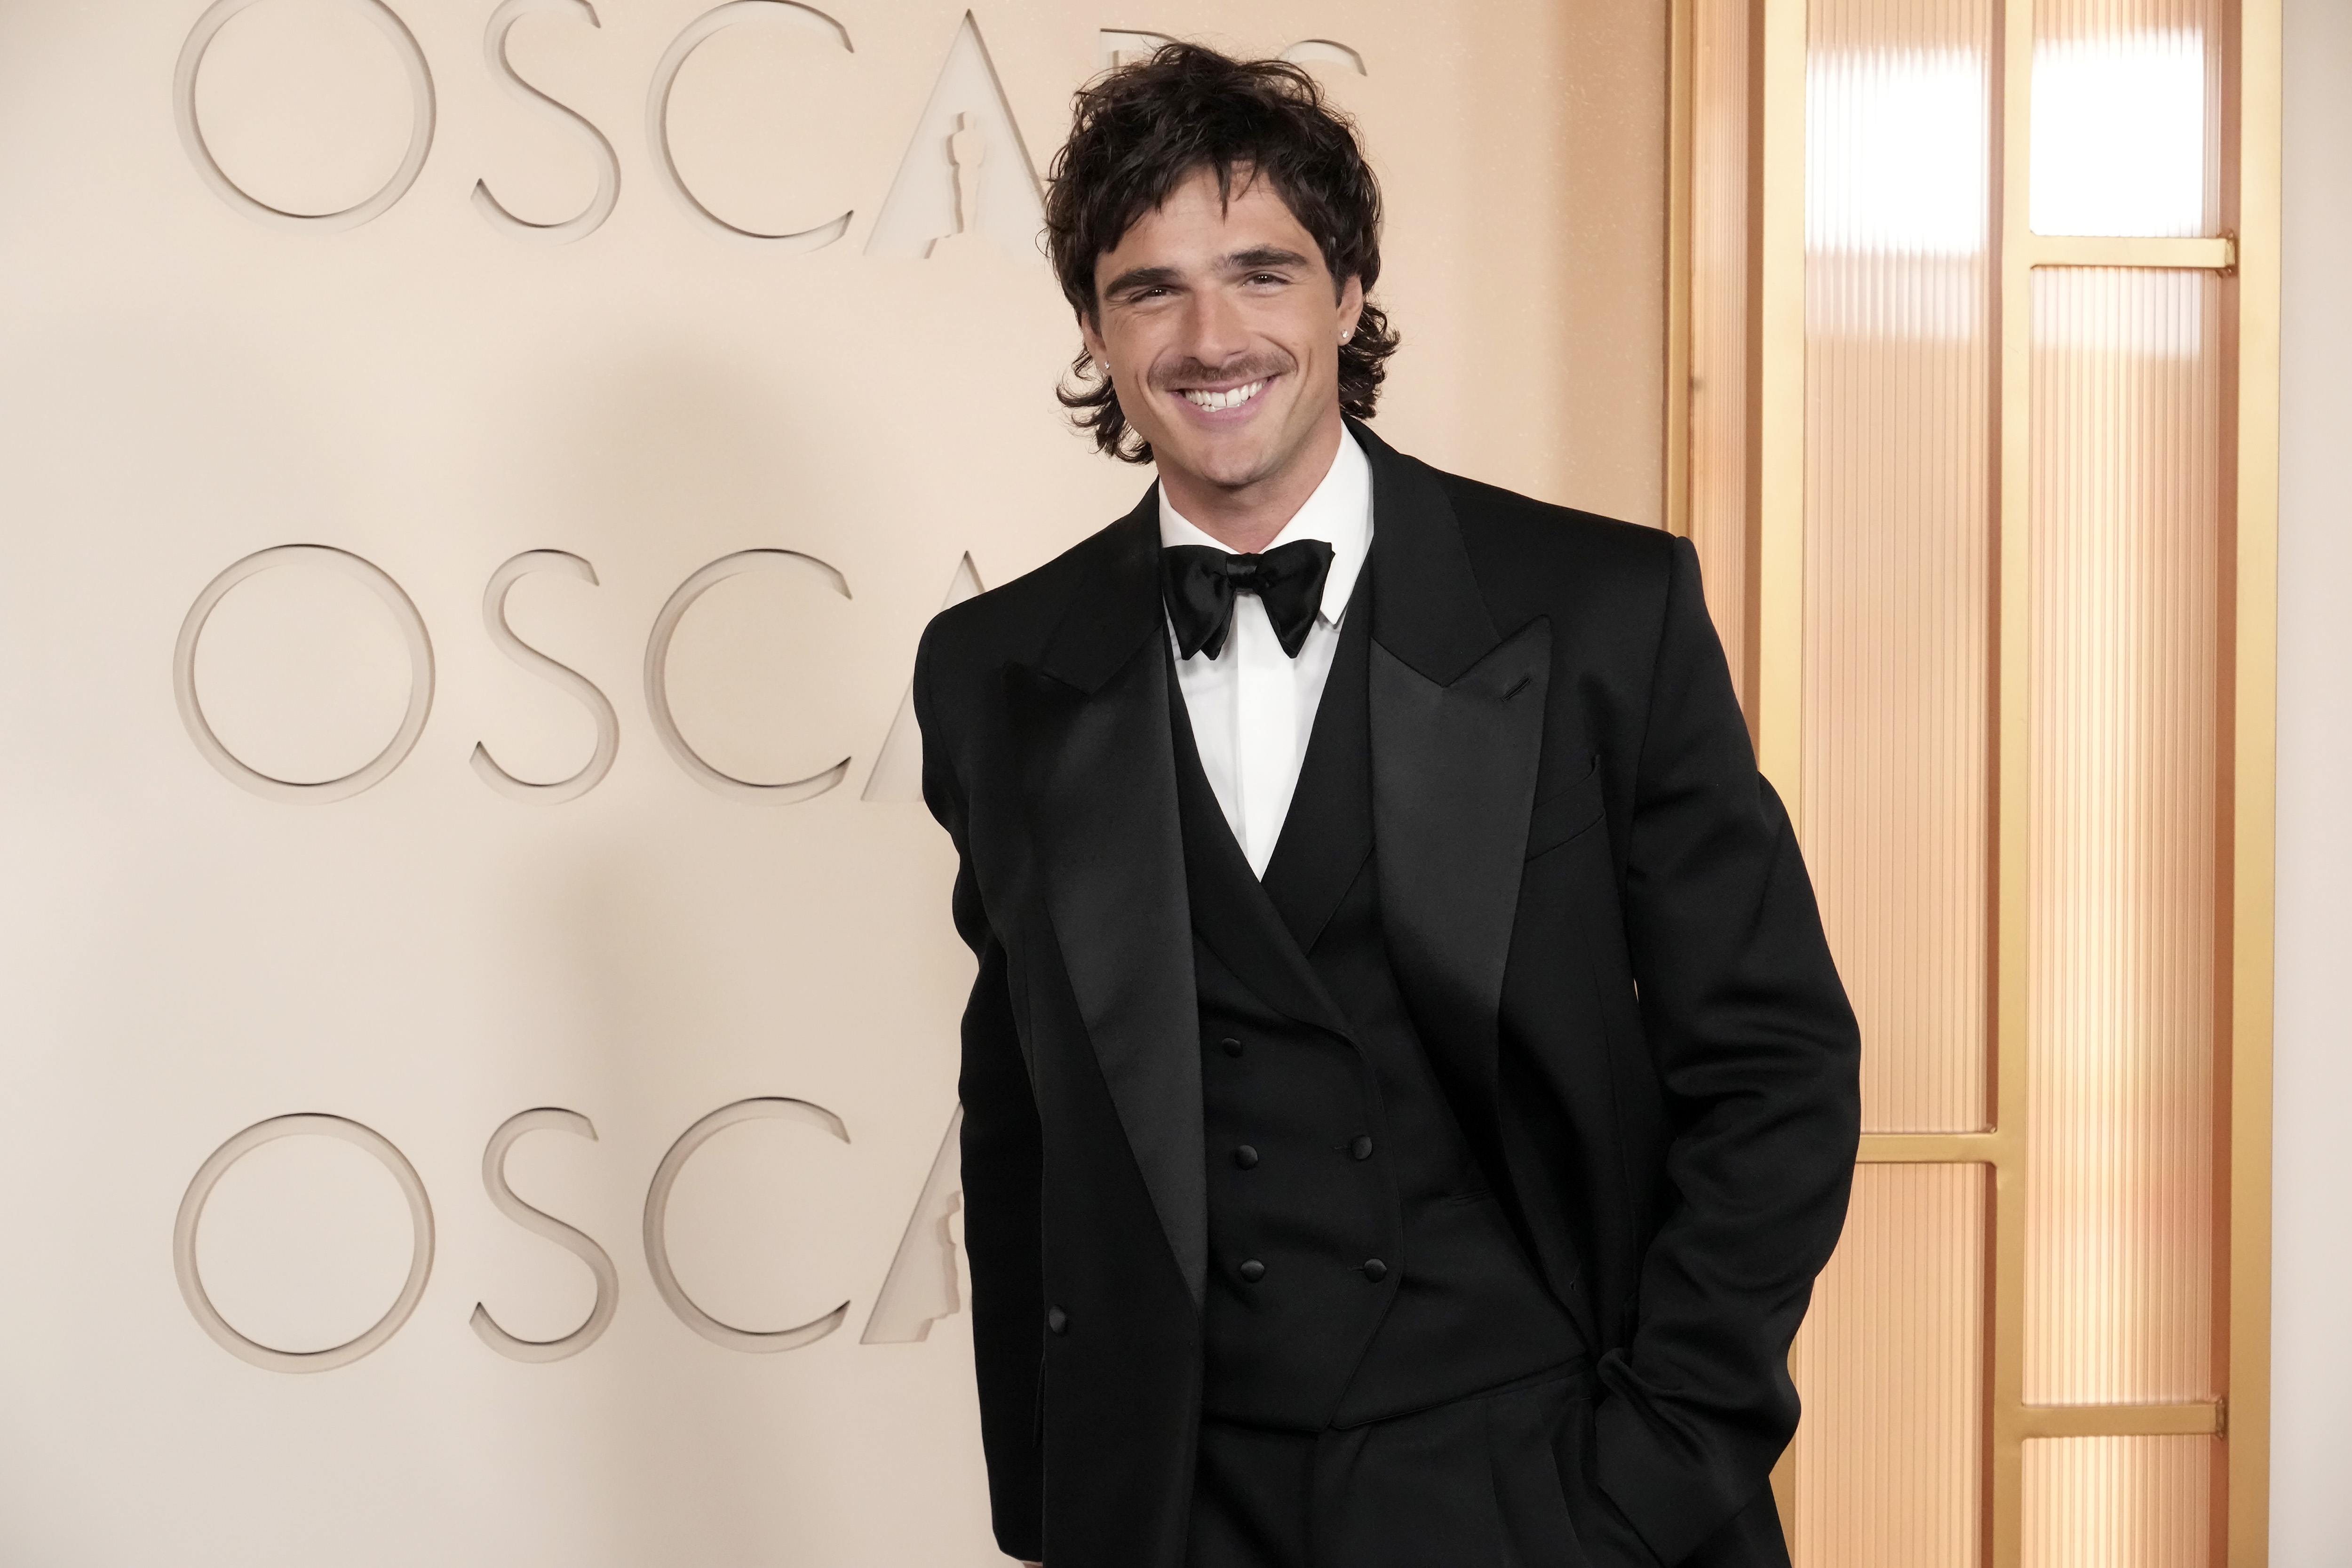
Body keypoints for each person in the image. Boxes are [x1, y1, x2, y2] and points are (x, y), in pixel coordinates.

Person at [911, 43, 1859, 1568]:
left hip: (1543, 1477)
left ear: (1348, 295)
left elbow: (1775, 1064)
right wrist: (1053, 1496)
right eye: (1150, 288)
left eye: (1262, 272)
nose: (1212, 336)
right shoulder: (994, 671)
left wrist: (1658, 1457)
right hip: (1179, 1501)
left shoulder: (1603, 611)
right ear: (1094, 326)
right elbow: (1018, 1105)